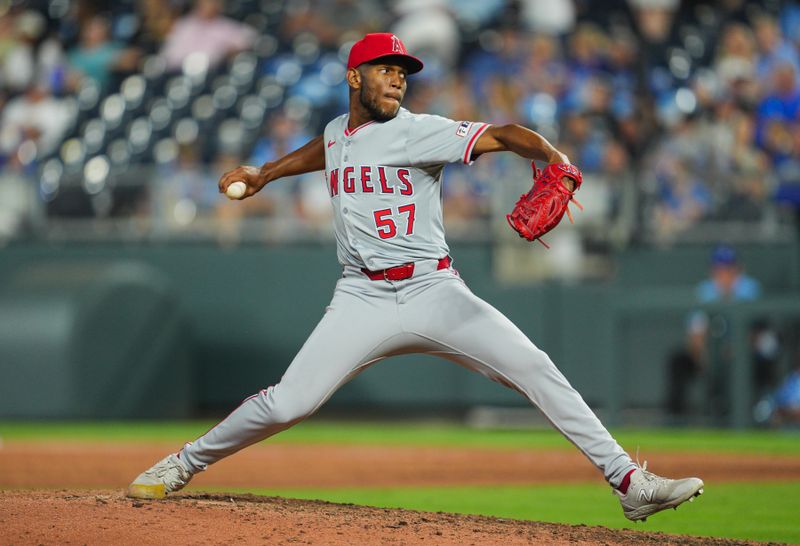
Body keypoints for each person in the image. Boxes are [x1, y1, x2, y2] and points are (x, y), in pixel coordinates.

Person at [127, 33, 704, 522]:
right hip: (361, 296)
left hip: (434, 290)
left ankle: (629, 484)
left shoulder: (418, 130)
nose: (398, 80)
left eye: (403, 73)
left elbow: (502, 134)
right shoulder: (336, 132)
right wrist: (267, 173)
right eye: (386, 70)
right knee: (286, 405)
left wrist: (555, 159)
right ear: (355, 78)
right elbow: (328, 149)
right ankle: (184, 463)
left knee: (533, 366)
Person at [666, 244, 779, 419]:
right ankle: (675, 418)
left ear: (738, 269)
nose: (724, 274)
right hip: (712, 355)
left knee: (765, 355)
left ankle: (761, 411)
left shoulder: (750, 288)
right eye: (719, 269)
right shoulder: (705, 291)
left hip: (744, 354)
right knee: (678, 360)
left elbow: (758, 331)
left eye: (728, 268)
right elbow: (695, 334)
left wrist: (737, 350)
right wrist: (705, 358)